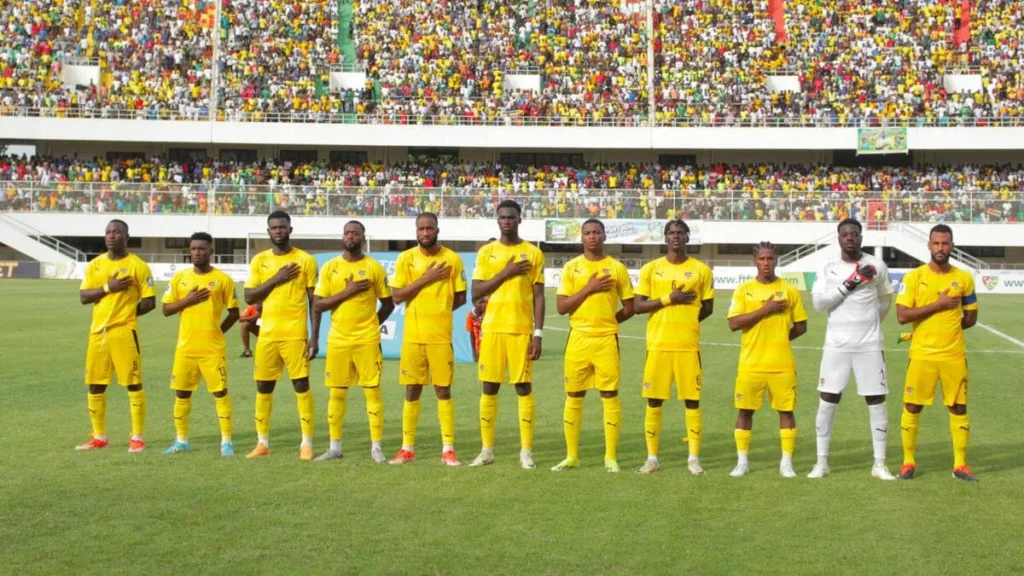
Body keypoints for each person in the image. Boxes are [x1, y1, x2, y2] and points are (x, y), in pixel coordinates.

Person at [808, 219, 895, 480]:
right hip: (836, 346)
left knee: (876, 400)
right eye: (845, 234)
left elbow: (885, 301)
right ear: (838, 237)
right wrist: (850, 283)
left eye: (854, 234)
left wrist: (869, 325)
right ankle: (821, 462)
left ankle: (879, 464)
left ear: (861, 237)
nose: (850, 238)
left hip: (869, 346)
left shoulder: (876, 265)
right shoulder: (828, 267)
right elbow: (819, 304)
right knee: (828, 400)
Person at [895, 223, 979, 482]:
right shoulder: (914, 277)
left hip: (953, 356)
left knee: (958, 406)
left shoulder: (964, 278)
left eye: (945, 243)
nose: (941, 248)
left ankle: (960, 466)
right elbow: (902, 316)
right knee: (912, 405)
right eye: (936, 243)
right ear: (929, 245)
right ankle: (908, 462)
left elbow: (971, 317)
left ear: (952, 246)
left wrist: (949, 329)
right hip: (922, 355)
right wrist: (939, 305)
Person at [552, 219, 635, 473]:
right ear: (581, 238)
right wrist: (589, 288)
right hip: (578, 339)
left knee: (609, 395)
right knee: (574, 396)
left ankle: (610, 457)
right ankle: (571, 456)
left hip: (606, 340)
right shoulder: (572, 268)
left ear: (604, 236)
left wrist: (609, 321)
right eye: (587, 233)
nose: (592, 237)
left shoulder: (617, 268)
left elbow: (630, 307)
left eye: (596, 232)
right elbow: (562, 307)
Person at [468, 200, 545, 470]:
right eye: (502, 217)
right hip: (492, 329)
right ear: (497, 220)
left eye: (512, 217)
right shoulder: (486, 252)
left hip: (521, 330)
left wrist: (538, 333)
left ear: (519, 220)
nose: (507, 221)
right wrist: (507, 272)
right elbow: (476, 292)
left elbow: (538, 295)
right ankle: (486, 450)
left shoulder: (533, 252)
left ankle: (526, 452)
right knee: (489, 387)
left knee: (523, 388)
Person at [633, 219, 714, 475]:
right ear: (665, 238)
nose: (676, 237)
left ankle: (693, 459)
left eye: (681, 233)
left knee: (692, 402)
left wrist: (687, 321)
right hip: (657, 346)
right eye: (671, 233)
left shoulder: (701, 270)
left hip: (688, 347)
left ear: (688, 237)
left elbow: (708, 308)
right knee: (654, 401)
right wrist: (671, 299)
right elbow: (637, 306)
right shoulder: (651, 269)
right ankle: (652, 458)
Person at [312, 220, 395, 463]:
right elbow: (317, 304)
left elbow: (388, 303)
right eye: (347, 233)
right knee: (336, 394)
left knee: (372, 392)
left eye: (355, 233)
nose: (350, 237)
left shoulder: (374, 268)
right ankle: (334, 447)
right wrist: (346, 293)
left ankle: (376, 448)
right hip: (338, 340)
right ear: (342, 236)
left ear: (362, 237)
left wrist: (372, 323)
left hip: (367, 341)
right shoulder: (330, 268)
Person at [388, 213, 467, 466]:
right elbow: (397, 296)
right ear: (416, 231)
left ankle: (448, 449)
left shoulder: (452, 259)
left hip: (441, 337)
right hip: (413, 337)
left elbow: (461, 298)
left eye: (429, 228)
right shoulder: (405, 259)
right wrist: (426, 279)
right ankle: (407, 448)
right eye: (421, 228)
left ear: (437, 230)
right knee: (412, 390)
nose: (425, 232)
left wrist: (439, 311)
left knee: (443, 390)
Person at [243, 210, 321, 460]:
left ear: (290, 229)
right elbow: (249, 296)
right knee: (263, 387)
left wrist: (314, 336)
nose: (278, 231)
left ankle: (306, 443)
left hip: (295, 335)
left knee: (301, 385)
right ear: (268, 232)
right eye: (274, 228)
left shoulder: (306, 260)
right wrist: (277, 278)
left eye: (282, 227)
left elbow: (314, 303)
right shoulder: (260, 261)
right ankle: (262, 442)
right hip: (267, 335)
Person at [726, 242, 808, 478]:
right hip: (751, 364)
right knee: (744, 411)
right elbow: (734, 323)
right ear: (755, 261)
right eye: (761, 259)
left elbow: (801, 326)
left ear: (776, 261)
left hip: (782, 365)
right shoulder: (743, 290)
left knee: (786, 412)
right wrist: (767, 309)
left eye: (770, 259)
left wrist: (781, 339)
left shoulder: (789, 290)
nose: (766, 263)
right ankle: (742, 462)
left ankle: (786, 463)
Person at [76, 219, 156, 452]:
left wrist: (126, 315)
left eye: (117, 232)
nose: (111, 236)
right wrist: (109, 288)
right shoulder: (95, 265)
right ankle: (99, 437)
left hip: (124, 332)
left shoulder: (138, 266)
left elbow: (149, 302)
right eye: (108, 232)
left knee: (133, 383)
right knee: (95, 385)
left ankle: (137, 437)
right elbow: (83, 297)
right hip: (97, 333)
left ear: (126, 237)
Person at [160, 232, 241, 457]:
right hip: (185, 349)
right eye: (193, 248)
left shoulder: (223, 280)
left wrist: (218, 331)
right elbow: (166, 309)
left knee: (220, 393)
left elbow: (235, 312)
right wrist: (187, 301)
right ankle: (181, 440)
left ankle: (226, 442)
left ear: (211, 251)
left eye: (202, 249)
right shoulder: (180, 278)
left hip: (212, 349)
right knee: (182, 394)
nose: (197, 252)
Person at [466, 297, 486, 363]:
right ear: (474, 303)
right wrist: (474, 353)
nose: (484, 305)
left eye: (484, 302)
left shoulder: (489, 313)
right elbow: (472, 336)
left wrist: (478, 319)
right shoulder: (469, 316)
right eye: (481, 303)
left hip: (490, 346)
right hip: (479, 348)